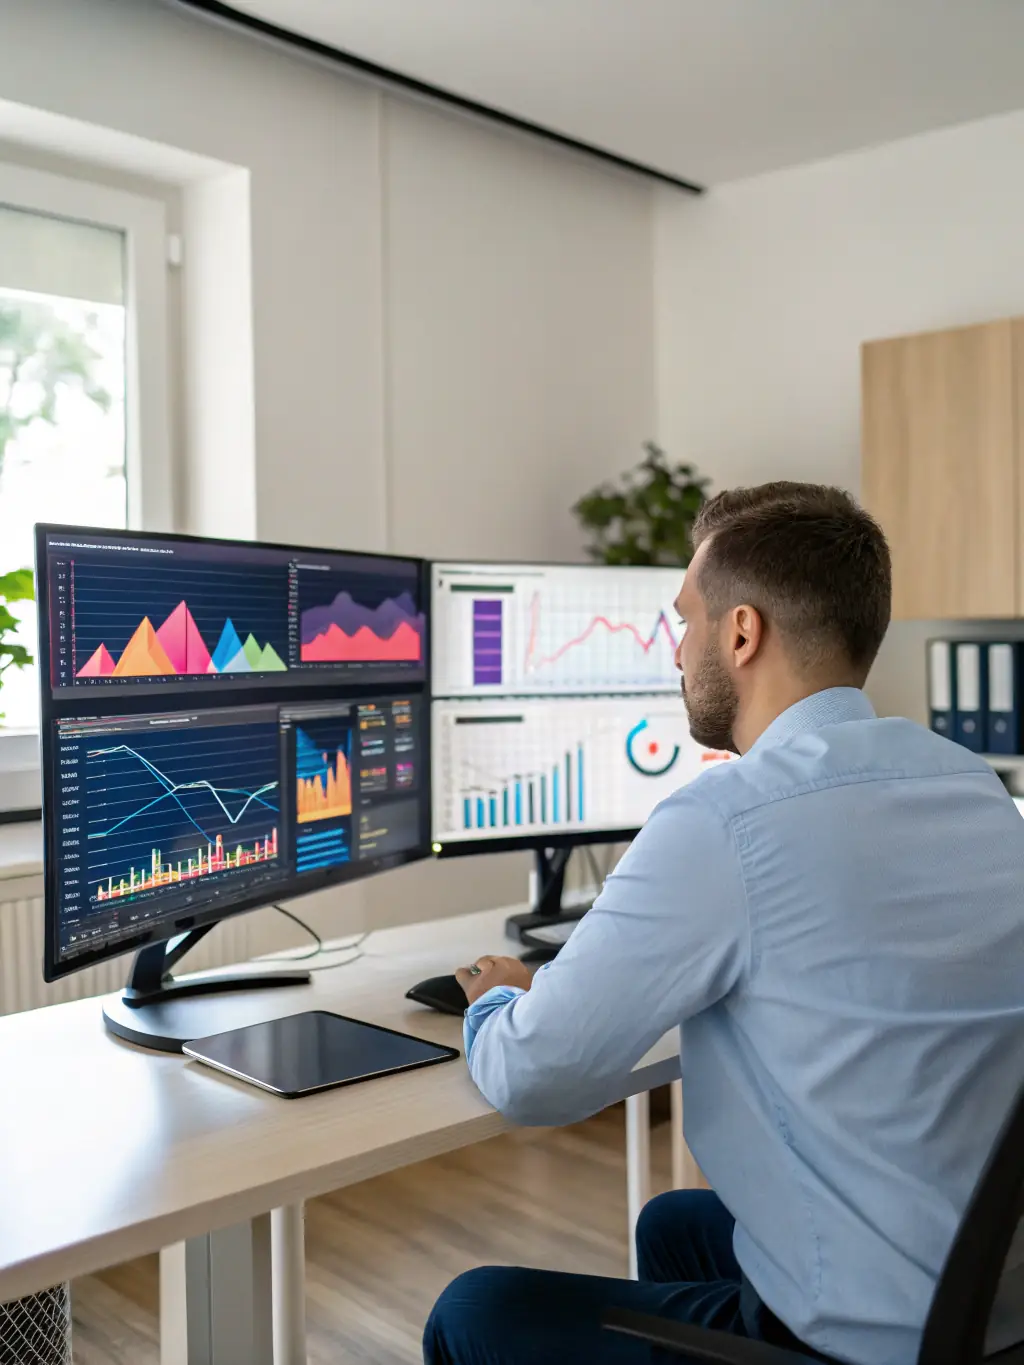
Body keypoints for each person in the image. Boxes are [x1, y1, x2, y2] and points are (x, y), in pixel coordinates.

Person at [423, 481, 1024, 1365]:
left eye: (684, 621)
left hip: (878, 1344)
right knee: (675, 1224)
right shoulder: (971, 784)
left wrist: (497, 1001)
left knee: (474, 1309)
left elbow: (531, 1075)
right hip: (989, 1297)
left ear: (741, 633)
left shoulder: (727, 817)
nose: (675, 651)